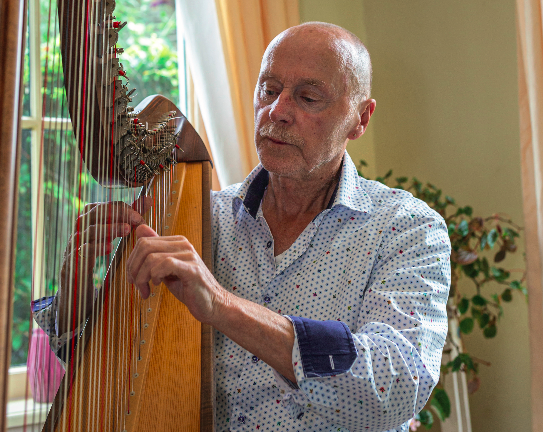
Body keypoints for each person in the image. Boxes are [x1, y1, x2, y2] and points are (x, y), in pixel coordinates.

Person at [33, 21, 451, 432]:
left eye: (307, 97)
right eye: (269, 90)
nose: (277, 111)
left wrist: (221, 305)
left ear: (360, 119)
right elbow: (109, 374)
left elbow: (397, 386)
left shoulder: (408, 229)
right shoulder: (199, 218)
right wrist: (75, 289)